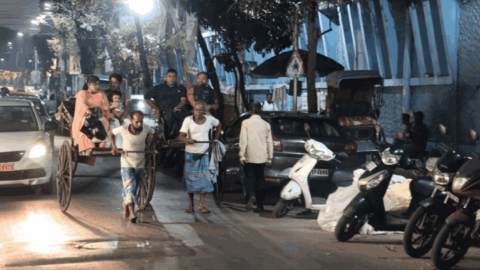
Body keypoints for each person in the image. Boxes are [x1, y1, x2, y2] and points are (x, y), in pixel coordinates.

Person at [108, 111, 158, 223]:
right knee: (130, 186)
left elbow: (155, 133)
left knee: (133, 189)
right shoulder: (124, 129)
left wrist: (149, 147)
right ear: (131, 120)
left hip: (140, 164)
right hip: (126, 163)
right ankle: (132, 213)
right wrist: (114, 146)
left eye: (141, 122)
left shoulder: (146, 128)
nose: (139, 125)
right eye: (137, 122)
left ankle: (125, 203)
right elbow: (110, 132)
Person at [178, 101, 222, 214]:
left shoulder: (209, 119)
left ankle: (201, 205)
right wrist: (188, 139)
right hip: (190, 153)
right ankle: (191, 204)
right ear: (194, 110)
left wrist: (215, 140)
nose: (198, 112)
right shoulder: (188, 120)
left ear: (204, 111)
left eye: (200, 110)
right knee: (190, 179)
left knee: (204, 179)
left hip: (204, 153)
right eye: (196, 110)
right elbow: (181, 136)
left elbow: (219, 125)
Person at [239, 102, 273, 211]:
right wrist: (270, 157)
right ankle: (260, 204)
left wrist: (241, 155)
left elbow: (243, 140)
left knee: (250, 178)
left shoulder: (245, 122)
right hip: (262, 156)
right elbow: (269, 142)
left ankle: (251, 195)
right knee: (260, 179)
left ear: (250, 111)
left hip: (250, 155)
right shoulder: (266, 124)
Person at [71, 75, 113, 160]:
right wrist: (90, 113)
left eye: (98, 84)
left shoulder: (102, 94)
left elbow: (106, 107)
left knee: (105, 120)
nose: (97, 86)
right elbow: (82, 105)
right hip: (86, 116)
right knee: (87, 120)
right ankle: (89, 142)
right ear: (88, 84)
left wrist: (107, 115)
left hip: (99, 116)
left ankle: (101, 140)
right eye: (95, 84)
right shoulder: (82, 93)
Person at [144, 69, 188, 138]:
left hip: (178, 110)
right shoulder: (158, 88)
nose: (171, 78)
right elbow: (146, 98)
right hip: (164, 111)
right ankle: (167, 137)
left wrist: (177, 107)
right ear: (166, 77)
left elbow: (183, 101)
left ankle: (184, 136)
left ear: (176, 77)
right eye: (170, 76)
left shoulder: (181, 88)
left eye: (174, 77)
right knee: (169, 115)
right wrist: (156, 108)